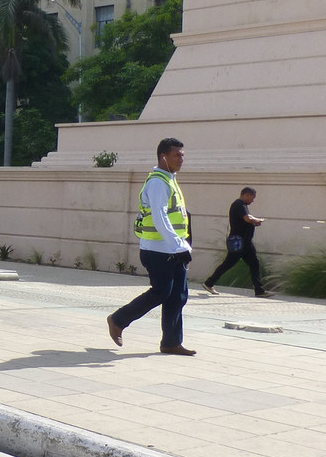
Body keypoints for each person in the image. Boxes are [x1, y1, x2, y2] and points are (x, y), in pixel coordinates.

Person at [106, 138, 197, 356]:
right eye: (177, 155)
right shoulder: (158, 182)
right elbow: (160, 217)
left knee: (178, 296)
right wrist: (178, 245)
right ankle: (118, 319)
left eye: (183, 155)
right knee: (161, 292)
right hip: (158, 250)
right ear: (163, 157)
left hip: (173, 249)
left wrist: (183, 244)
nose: (182, 159)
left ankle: (171, 342)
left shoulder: (170, 179)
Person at [204, 187, 272, 298]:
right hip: (238, 242)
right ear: (247, 195)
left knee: (254, 264)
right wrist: (257, 220)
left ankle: (259, 290)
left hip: (246, 243)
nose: (252, 201)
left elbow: (246, 220)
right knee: (228, 264)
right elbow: (247, 218)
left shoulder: (241, 206)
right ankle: (209, 283)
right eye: (252, 198)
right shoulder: (239, 204)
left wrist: (254, 222)